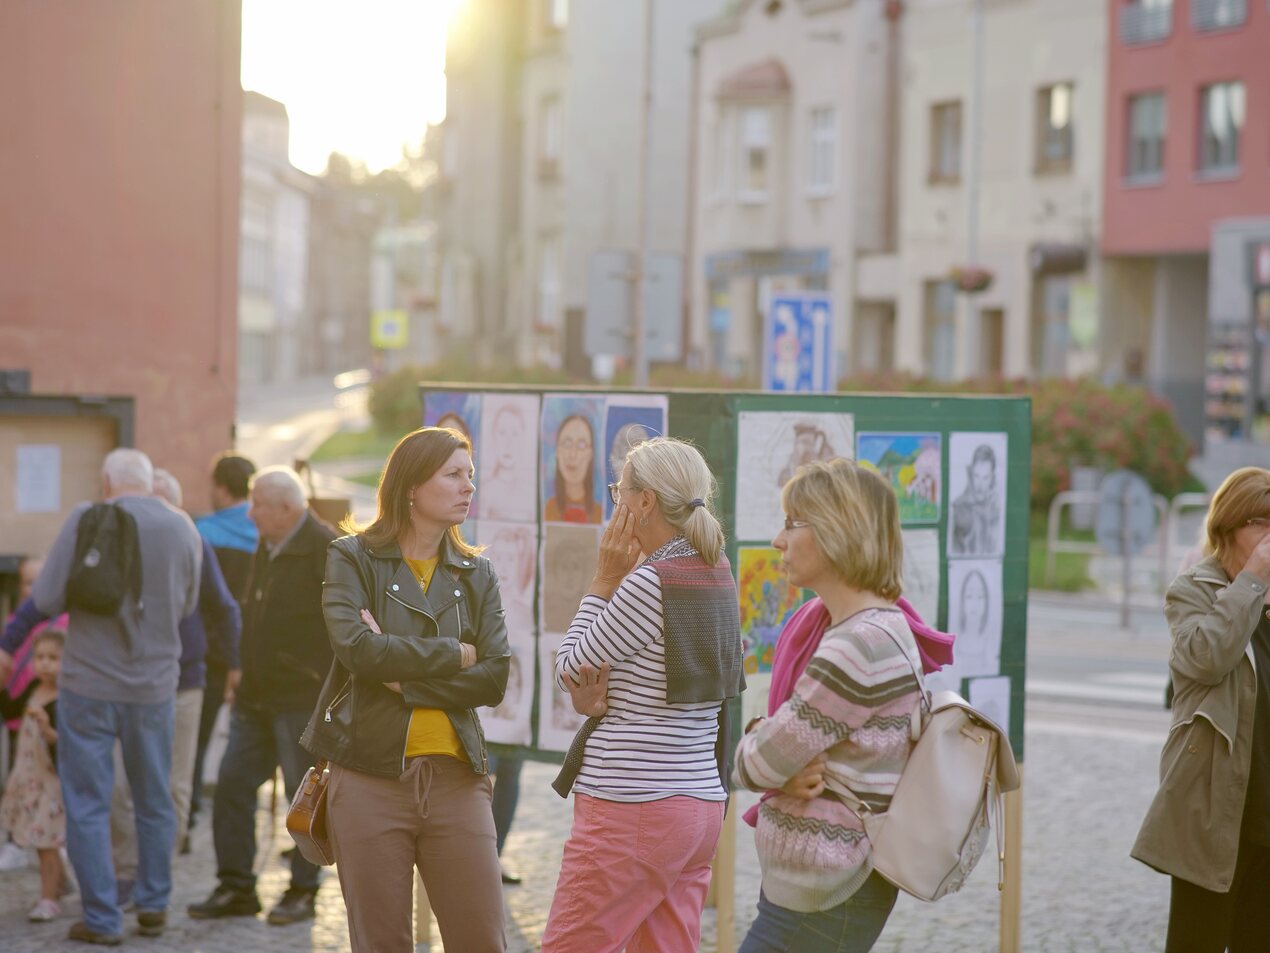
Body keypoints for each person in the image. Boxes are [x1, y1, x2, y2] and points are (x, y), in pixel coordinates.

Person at [300, 425, 510, 953]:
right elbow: (358, 651)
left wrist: (402, 680)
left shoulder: (477, 572)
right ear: (412, 485)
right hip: (368, 778)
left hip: (458, 780)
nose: (469, 486)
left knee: (482, 940)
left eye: (470, 475)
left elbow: (494, 677)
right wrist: (453, 654)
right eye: (453, 475)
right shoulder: (352, 556)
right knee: (382, 943)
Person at [543, 437, 744, 953]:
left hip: (631, 804)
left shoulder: (649, 582)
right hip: (698, 804)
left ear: (645, 501)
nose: (617, 502)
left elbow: (569, 667)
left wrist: (603, 579)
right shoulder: (716, 571)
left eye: (620, 491)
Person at [733, 458, 925, 953]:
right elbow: (779, 753)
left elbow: (757, 763)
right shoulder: (878, 626)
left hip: (824, 895)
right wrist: (773, 752)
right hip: (821, 889)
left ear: (835, 530)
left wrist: (761, 752)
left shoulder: (857, 646)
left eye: (791, 523)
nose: (778, 540)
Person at [32, 447, 202, 945]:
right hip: (153, 686)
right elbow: (188, 605)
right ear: (148, 482)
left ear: (107, 481)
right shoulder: (182, 527)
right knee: (154, 797)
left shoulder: (87, 517)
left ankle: (102, 919)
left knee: (87, 802)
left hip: (88, 684)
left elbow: (45, 598)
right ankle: (153, 904)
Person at [187, 466, 335, 926]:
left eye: (258, 506)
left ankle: (303, 891)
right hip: (255, 695)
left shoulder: (326, 549)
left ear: (288, 508)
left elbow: (343, 629)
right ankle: (236, 887)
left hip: (301, 699)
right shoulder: (267, 544)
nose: (250, 514)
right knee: (232, 787)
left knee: (303, 800)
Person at [1132, 467, 1270, 951]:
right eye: (1261, 522)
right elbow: (1206, 658)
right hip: (1213, 810)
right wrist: (1252, 582)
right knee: (1198, 941)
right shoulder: (1193, 590)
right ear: (1228, 527)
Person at [110, 468, 241, 897]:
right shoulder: (122, 544)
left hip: (184, 680)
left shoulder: (194, 542)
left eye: (162, 503)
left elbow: (224, 607)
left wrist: (233, 665)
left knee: (175, 784)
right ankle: (127, 871)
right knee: (122, 784)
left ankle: (155, 879)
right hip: (129, 679)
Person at [189, 452, 256, 834]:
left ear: (220, 488)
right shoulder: (264, 530)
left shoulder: (202, 532)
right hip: (255, 650)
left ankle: (189, 816)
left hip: (210, 652)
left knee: (197, 739)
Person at [0, 556, 67, 873]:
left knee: (47, 798)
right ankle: (17, 842)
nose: (35, 589)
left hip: (48, 715)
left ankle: (54, 852)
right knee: (22, 787)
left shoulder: (63, 623)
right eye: (28, 582)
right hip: (23, 715)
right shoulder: (16, 624)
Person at [0, 629, 67, 922]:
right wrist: (2, 684)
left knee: (45, 843)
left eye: (53, 658)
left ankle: (48, 899)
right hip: (28, 780)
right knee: (41, 838)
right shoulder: (34, 689)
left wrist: (48, 729)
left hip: (50, 784)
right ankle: (61, 883)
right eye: (40, 657)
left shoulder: (65, 699)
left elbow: (65, 746)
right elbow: (10, 712)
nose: (45, 664)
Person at [544, 414, 601, 524]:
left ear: (590, 454)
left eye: (581, 445)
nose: (573, 454)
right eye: (567, 443)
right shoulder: (548, 510)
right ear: (557, 451)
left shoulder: (598, 514)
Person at [950, 443, 1001, 556]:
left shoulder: (996, 507)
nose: (980, 485)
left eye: (985, 478)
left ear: (992, 478)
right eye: (976, 476)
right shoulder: (960, 507)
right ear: (971, 473)